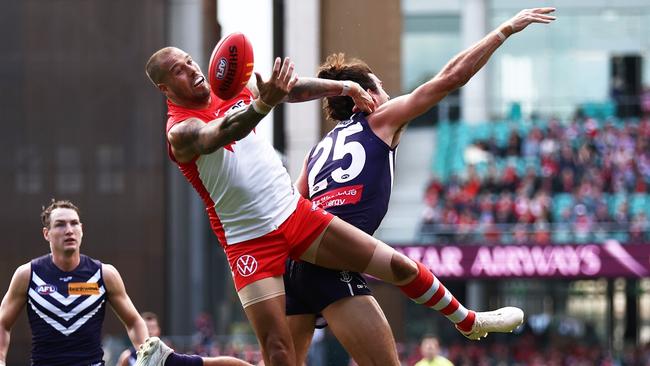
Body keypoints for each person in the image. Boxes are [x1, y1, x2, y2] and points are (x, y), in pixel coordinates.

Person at [141, 16, 541, 360]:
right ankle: (468, 320)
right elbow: (220, 131)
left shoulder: (308, 141)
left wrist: (343, 87)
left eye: (189, 60)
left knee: (388, 273)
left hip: (294, 217)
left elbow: (292, 91)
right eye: (177, 69)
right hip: (249, 243)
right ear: (165, 89)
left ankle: (172, 364)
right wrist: (267, 105)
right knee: (279, 355)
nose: (190, 68)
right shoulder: (180, 131)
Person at [283, 7, 556, 366]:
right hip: (335, 252)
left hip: (298, 265)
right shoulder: (381, 118)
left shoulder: (317, 150)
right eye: (380, 85)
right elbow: (450, 77)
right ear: (366, 95)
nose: (386, 91)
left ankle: (468, 319)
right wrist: (504, 29)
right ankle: (467, 320)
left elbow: (294, 203)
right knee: (401, 280)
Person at [0, 199, 252, 366]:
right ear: (47, 233)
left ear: (82, 229)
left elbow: (133, 321)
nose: (69, 230)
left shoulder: (104, 274)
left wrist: (146, 354)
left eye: (74, 223)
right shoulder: (28, 274)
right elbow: (2, 323)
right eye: (60, 225)